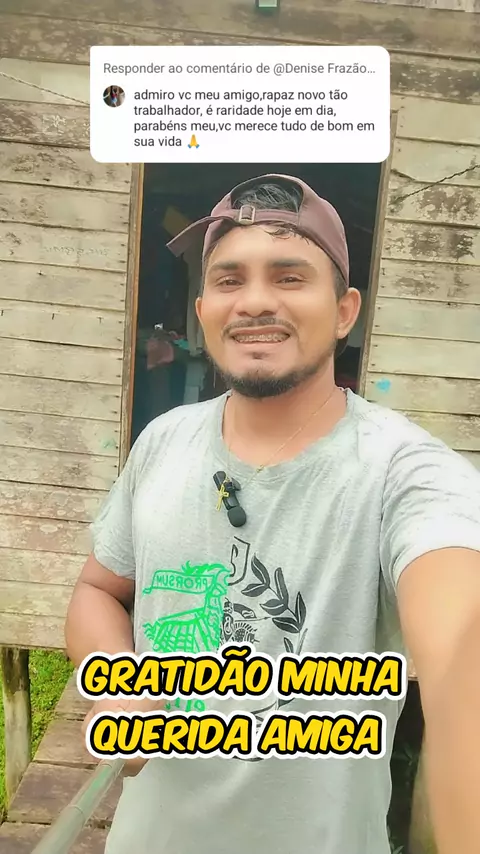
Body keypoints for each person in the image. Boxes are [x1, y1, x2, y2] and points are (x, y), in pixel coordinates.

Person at [65, 174, 480, 854]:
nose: (255, 301)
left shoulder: (405, 473)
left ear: (344, 311)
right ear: (204, 309)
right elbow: (98, 589)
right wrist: (116, 684)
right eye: (229, 280)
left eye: (290, 277)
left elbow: (463, 664)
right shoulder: (163, 442)